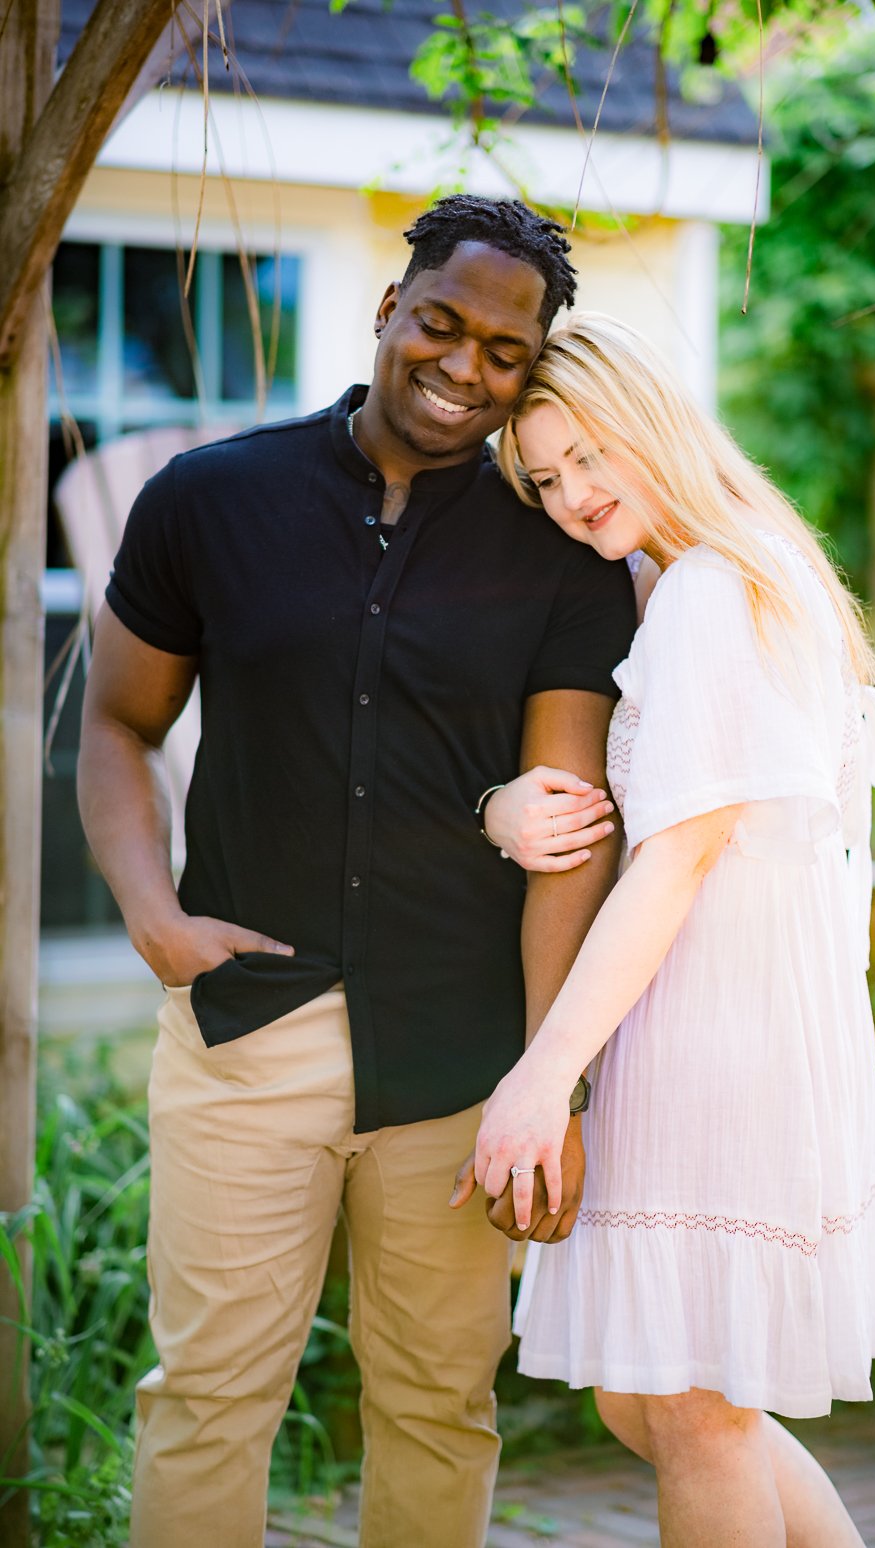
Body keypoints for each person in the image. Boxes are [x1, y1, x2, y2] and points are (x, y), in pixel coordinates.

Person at [76, 201, 637, 1548]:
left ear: (532, 366)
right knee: (206, 1397)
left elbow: (570, 827)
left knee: (440, 1404)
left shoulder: (559, 549)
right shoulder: (209, 501)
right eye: (442, 323)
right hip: (246, 1028)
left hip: (459, 1060)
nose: (463, 366)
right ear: (391, 306)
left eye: (506, 352)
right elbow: (115, 723)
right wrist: (153, 920)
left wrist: (542, 1084)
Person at [458, 312, 875, 1547]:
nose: (573, 494)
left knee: (692, 1410)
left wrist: (539, 1078)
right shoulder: (697, 573)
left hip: (720, 1034)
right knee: (655, 1398)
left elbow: (676, 856)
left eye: (589, 456)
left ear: (653, 419)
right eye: (548, 477)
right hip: (718, 1018)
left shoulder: (709, 596)